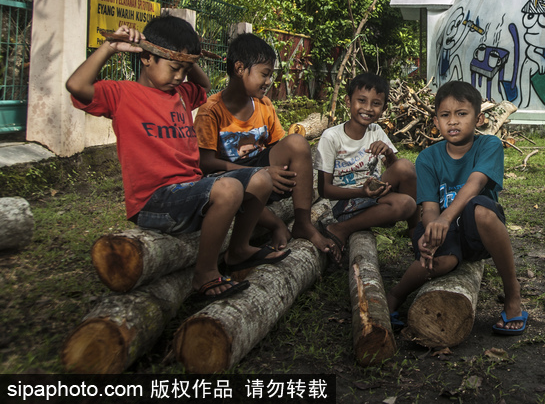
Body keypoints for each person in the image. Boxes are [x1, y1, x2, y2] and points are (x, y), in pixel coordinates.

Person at [65, 18, 286, 300]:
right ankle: (204, 273)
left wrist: (187, 58)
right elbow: (76, 85)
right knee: (229, 188)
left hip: (189, 191)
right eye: (174, 68)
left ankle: (238, 250)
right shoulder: (122, 94)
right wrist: (110, 46)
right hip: (154, 201)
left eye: (185, 70)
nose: (180, 76)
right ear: (146, 57)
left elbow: (203, 84)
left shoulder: (180, 94)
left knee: (261, 179)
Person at [386, 81, 526, 335]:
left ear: (479, 119)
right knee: (440, 262)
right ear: (436, 121)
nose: (453, 121)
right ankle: (395, 296)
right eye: (445, 115)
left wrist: (446, 218)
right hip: (443, 230)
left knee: (480, 208)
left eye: (461, 114)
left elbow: (476, 183)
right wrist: (432, 230)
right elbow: (429, 208)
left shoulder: (489, 145)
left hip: (476, 232)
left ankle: (512, 293)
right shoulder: (428, 157)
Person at [194, 33, 337, 264]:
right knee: (253, 181)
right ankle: (274, 224)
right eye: (265, 74)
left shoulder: (264, 105)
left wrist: (276, 172)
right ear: (240, 69)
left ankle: (302, 223)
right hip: (228, 182)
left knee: (297, 143)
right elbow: (206, 163)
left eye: (270, 75)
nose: (269, 81)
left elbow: (277, 147)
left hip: (262, 178)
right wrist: (258, 173)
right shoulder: (211, 111)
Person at [315, 72, 417, 255]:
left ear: (383, 108)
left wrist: (388, 153)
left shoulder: (376, 131)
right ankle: (340, 229)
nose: (368, 108)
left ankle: (415, 232)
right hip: (345, 204)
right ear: (348, 101)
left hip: (374, 196)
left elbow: (396, 171)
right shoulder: (331, 137)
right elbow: (324, 190)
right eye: (361, 101)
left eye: (376, 103)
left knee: (406, 166)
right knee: (406, 204)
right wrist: (361, 192)